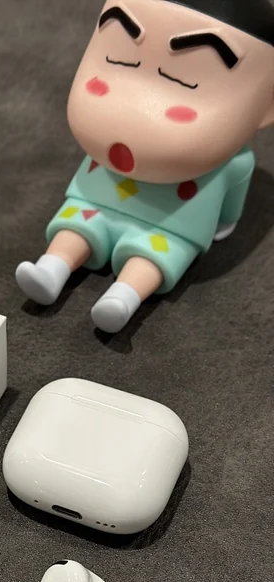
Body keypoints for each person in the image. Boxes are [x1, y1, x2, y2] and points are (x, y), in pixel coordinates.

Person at [16, 0, 274, 333]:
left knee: (150, 258)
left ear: (267, 104)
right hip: (97, 197)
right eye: (118, 59)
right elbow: (228, 217)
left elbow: (230, 205)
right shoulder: (104, 149)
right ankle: (51, 269)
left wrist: (225, 220)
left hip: (173, 223)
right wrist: (225, 223)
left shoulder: (234, 162)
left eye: (184, 81)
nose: (133, 109)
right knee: (76, 229)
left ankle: (122, 298)